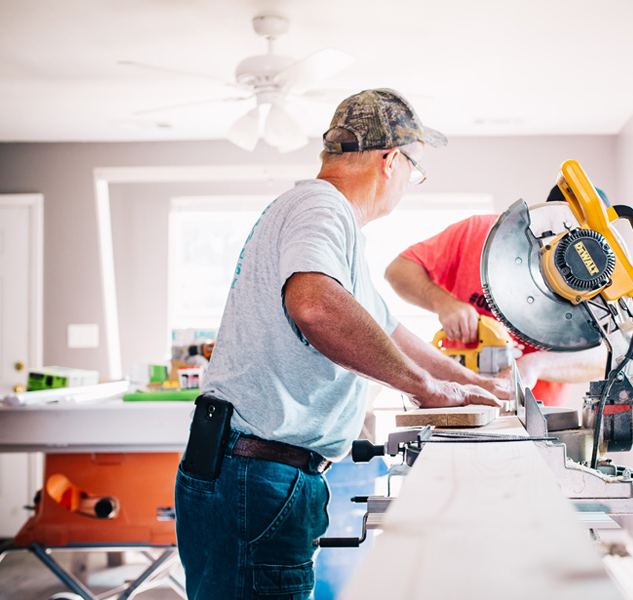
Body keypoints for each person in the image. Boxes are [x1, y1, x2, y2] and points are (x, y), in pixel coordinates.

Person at [174, 88, 511, 600]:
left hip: (249, 471)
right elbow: (314, 305)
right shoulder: (321, 205)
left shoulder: (323, 219)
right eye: (414, 172)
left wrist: (469, 382)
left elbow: (387, 327)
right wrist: (426, 388)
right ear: (391, 160)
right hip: (258, 475)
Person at [384, 185, 608, 407]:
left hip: (536, 415)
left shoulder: (598, 281)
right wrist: (443, 302)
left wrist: (536, 364)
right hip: (457, 400)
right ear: (545, 214)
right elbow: (398, 270)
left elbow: (606, 357)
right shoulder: (479, 233)